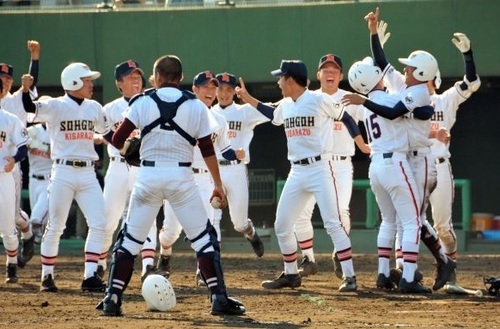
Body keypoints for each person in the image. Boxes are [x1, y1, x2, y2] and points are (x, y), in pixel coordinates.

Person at [97, 55, 245, 316]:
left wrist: (133, 145)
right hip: (181, 179)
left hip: (148, 177)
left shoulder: (142, 101)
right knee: (203, 239)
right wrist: (218, 185)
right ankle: (218, 298)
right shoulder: (195, 105)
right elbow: (207, 147)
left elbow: (118, 139)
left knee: (129, 241)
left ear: (156, 77)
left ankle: (112, 298)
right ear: (180, 77)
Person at [236, 60, 357, 292]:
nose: (278, 82)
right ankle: (291, 274)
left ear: (290, 79)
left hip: (321, 167)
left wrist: (360, 141)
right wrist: (249, 98)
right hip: (297, 170)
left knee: (333, 223)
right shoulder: (287, 104)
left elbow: (346, 117)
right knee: (282, 225)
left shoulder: (320, 100)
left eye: (280, 77)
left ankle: (350, 277)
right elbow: (271, 112)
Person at [363, 8, 455, 291]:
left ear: (422, 73)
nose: (404, 69)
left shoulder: (419, 91)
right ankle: (415, 268)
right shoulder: (407, 84)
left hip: (420, 158)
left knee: (413, 218)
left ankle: (439, 261)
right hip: (404, 158)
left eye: (410, 67)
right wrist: (374, 33)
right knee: (410, 219)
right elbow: (383, 63)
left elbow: (401, 112)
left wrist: (364, 100)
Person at [21, 62, 108, 293]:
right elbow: (30, 107)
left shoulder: (94, 107)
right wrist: (26, 87)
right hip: (62, 171)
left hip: (88, 172)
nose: (91, 84)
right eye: (87, 80)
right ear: (74, 82)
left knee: (99, 222)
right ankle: (47, 276)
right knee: (56, 225)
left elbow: (108, 132)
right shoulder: (56, 105)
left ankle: (90, 276)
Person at [157, 71, 245, 285]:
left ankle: (205, 270)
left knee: (209, 226)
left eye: (213, 87)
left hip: (205, 179)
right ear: (194, 89)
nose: (210, 91)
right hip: (181, 176)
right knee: (171, 232)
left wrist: (236, 154)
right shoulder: (180, 112)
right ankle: (165, 254)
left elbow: (224, 150)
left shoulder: (219, 119)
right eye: (205, 87)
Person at [293, 54, 371, 279]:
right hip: (314, 164)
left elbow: (375, 117)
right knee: (301, 213)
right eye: (325, 70)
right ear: (318, 75)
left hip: (341, 163)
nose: (329, 73)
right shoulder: (308, 98)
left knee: (340, 213)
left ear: (341, 75)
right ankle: (308, 259)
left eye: (334, 70)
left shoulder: (350, 98)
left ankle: (340, 252)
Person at [98, 60, 159, 282]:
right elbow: (101, 132)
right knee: (108, 219)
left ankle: (148, 265)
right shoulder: (109, 109)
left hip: (142, 167)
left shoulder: (150, 103)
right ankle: (100, 263)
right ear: (119, 83)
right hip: (117, 167)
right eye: (130, 77)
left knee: (148, 215)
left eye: (138, 76)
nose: (136, 80)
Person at [427, 32, 480, 277]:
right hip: (414, 165)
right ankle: (401, 272)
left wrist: (468, 56)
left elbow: (471, 82)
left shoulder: (444, 100)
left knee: (443, 228)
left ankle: (449, 272)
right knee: (406, 225)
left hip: (439, 165)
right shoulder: (405, 102)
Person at [212, 71, 267, 257]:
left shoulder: (244, 111)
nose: (224, 93)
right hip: (213, 170)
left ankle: (250, 232)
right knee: (212, 217)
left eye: (228, 89)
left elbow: (273, 112)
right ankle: (209, 262)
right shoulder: (209, 113)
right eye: (220, 88)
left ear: (234, 91)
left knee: (239, 223)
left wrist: (249, 98)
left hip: (235, 169)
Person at [1, 40, 40, 267]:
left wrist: (34, 59)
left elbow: (30, 85)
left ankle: (27, 234)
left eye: (8, 79)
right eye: (1, 78)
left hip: (11, 166)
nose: (4, 82)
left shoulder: (17, 99)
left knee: (14, 217)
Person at [0, 77, 29, 283]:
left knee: (7, 226)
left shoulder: (10, 119)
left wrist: (15, 159)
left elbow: (23, 147)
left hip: (3, 176)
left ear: (2, 93)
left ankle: (11, 264)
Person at [26, 118, 52, 244]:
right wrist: (27, 143)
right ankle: (39, 243)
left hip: (49, 179)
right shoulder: (32, 130)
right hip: (33, 178)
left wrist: (40, 146)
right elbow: (18, 147)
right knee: (41, 220)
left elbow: (56, 152)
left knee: (36, 218)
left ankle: (34, 240)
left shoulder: (56, 130)